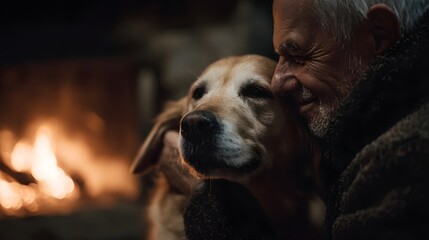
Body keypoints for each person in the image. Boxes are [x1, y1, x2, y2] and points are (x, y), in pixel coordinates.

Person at [160, 0, 429, 239]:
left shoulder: (405, 157)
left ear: (377, 35)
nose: (277, 81)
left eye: (299, 54)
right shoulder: (360, 131)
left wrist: (202, 196)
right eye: (280, 57)